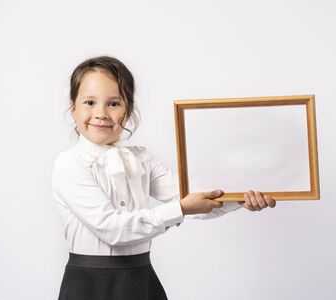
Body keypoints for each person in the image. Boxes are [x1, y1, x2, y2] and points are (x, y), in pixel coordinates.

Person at [52, 55, 277, 300]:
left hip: (141, 280)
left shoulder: (142, 159)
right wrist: (180, 209)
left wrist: (240, 199)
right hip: (89, 285)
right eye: (90, 102)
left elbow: (193, 199)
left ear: (128, 111)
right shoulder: (69, 164)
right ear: (73, 109)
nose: (102, 113)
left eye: (114, 103)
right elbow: (113, 229)